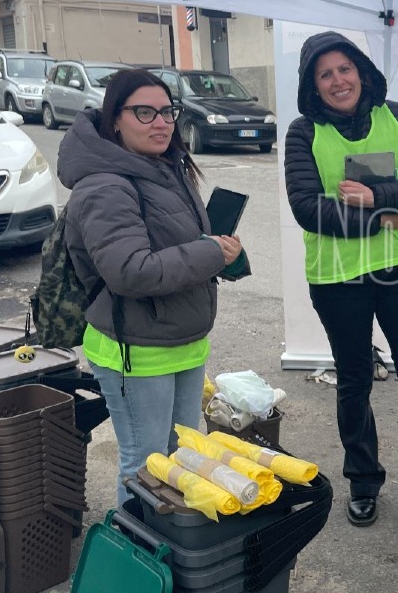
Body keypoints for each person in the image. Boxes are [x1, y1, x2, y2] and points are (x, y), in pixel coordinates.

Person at [284, 31, 398, 527]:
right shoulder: (303, 132)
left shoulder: (394, 115)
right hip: (338, 280)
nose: (338, 80)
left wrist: (376, 195)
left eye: (345, 69)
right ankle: (363, 480)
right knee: (354, 381)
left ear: (361, 70)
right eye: (325, 74)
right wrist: (382, 216)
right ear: (313, 85)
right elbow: (306, 207)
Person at [58, 69, 243, 506]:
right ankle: (138, 560)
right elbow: (131, 271)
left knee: (181, 456)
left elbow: (179, 245)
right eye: (144, 112)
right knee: (146, 463)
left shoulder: (168, 168)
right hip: (135, 349)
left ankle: (171, 554)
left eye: (167, 111)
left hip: (181, 339)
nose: (161, 123)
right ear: (115, 119)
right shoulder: (105, 186)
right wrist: (210, 253)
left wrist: (219, 251)